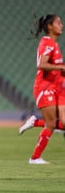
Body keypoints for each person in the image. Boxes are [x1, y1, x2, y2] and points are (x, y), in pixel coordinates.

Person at [19, 14, 65, 164]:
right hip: (45, 87)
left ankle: (34, 122)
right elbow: (41, 65)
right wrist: (61, 67)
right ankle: (35, 158)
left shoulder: (54, 45)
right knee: (51, 124)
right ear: (50, 27)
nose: (62, 25)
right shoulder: (47, 43)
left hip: (57, 88)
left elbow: (56, 70)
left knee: (60, 123)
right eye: (58, 22)